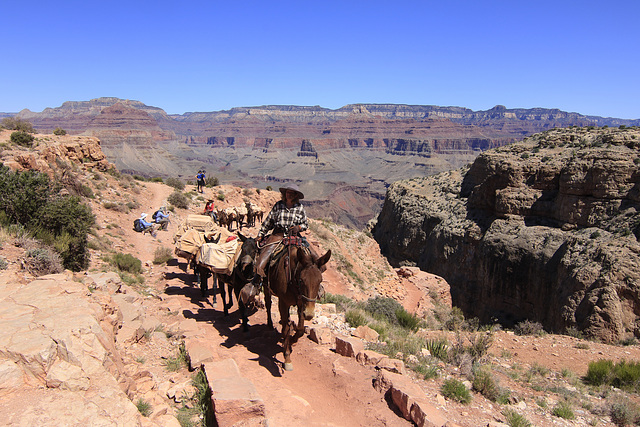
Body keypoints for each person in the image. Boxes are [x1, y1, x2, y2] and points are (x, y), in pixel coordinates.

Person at [240, 183, 308, 303]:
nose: (289, 194)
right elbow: (268, 221)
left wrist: (299, 227)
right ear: (284, 194)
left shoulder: (300, 207)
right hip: (278, 235)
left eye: (292, 193)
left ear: (296, 195)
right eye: (287, 192)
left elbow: (305, 224)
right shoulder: (278, 205)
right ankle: (256, 282)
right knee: (263, 258)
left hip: (294, 236)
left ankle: (315, 286)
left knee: (312, 257)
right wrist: (261, 234)